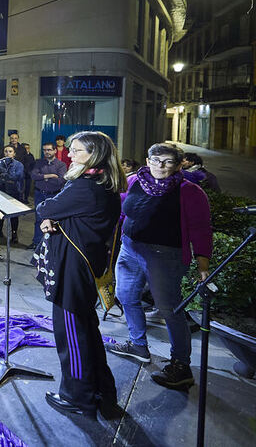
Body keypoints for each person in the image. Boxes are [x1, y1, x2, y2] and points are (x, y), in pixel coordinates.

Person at [106, 143, 212, 390]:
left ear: (178, 165)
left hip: (165, 255)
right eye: (156, 160)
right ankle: (138, 345)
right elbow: (124, 211)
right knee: (126, 296)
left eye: (168, 162)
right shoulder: (135, 181)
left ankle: (181, 366)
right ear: (147, 160)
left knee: (169, 308)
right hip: (130, 247)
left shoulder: (189, 191)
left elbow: (201, 228)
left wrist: (202, 262)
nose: (161, 166)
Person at [33, 131, 123, 417]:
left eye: (76, 150)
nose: (69, 155)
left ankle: (77, 397)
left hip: (73, 270)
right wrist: (56, 219)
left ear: (94, 155)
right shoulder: (102, 183)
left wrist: (50, 216)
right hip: (87, 267)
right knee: (88, 332)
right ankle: (102, 392)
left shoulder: (84, 186)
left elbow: (45, 207)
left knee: (71, 335)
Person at [29, 141, 67, 250]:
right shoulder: (39, 163)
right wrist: (50, 175)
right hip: (39, 194)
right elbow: (34, 176)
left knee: (52, 220)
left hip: (53, 195)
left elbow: (60, 181)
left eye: (49, 150)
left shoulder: (61, 165)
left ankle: (50, 245)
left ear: (55, 150)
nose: (47, 152)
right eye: (45, 150)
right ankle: (36, 243)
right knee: (38, 219)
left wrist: (43, 177)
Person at [0, 145, 24, 243]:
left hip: (14, 192)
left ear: (14, 153)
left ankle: (14, 234)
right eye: (6, 151)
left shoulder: (19, 165)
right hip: (1, 191)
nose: (8, 153)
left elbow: (17, 177)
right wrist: (7, 178)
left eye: (10, 151)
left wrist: (4, 177)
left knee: (14, 215)